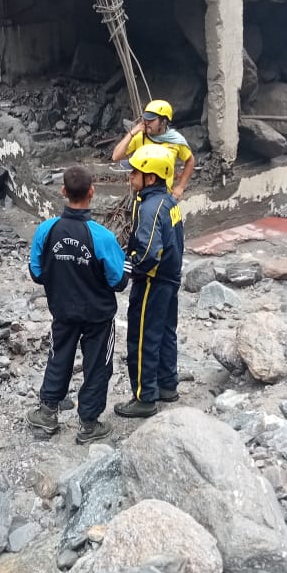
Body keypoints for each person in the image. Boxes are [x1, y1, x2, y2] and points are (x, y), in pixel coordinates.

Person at [27, 163, 127, 444]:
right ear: (92, 192)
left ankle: (47, 413)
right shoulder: (103, 237)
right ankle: (89, 424)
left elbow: (36, 273)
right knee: (97, 366)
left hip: (63, 311)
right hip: (98, 316)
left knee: (59, 357)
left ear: (63, 192)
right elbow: (118, 281)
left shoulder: (46, 230)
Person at [114, 144, 184, 419]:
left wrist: (128, 269)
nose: (130, 177)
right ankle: (168, 384)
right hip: (170, 278)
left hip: (152, 282)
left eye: (135, 173)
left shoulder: (149, 208)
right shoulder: (168, 201)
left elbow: (147, 251)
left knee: (142, 338)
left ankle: (144, 397)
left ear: (150, 178)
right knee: (166, 332)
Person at [111, 100, 195, 200]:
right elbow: (116, 156)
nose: (146, 123)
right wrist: (132, 133)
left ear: (163, 122)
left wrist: (180, 187)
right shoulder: (140, 137)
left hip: (164, 195)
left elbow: (190, 160)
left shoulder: (176, 141)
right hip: (140, 196)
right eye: (145, 119)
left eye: (151, 120)